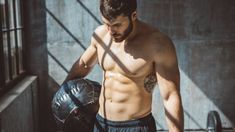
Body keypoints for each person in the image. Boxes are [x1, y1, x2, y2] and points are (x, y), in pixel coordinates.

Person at [64, 0, 184, 131]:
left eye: (116, 25)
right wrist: (62, 92)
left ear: (133, 15)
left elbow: (170, 96)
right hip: (101, 124)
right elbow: (84, 65)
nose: (111, 31)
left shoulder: (158, 45)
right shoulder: (101, 35)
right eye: (106, 24)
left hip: (136, 126)